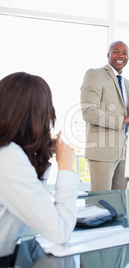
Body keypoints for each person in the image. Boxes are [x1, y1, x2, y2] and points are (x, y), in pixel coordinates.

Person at [0, 72, 79, 260]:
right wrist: (66, 167)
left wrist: (42, 156)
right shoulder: (8, 157)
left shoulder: (7, 152)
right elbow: (60, 232)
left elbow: (35, 207)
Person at [80, 41, 129, 191]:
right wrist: (123, 120)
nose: (120, 55)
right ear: (108, 55)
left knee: (120, 202)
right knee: (101, 202)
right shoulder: (95, 74)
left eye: (125, 53)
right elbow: (88, 112)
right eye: (116, 51)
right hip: (102, 152)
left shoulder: (128, 84)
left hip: (124, 152)